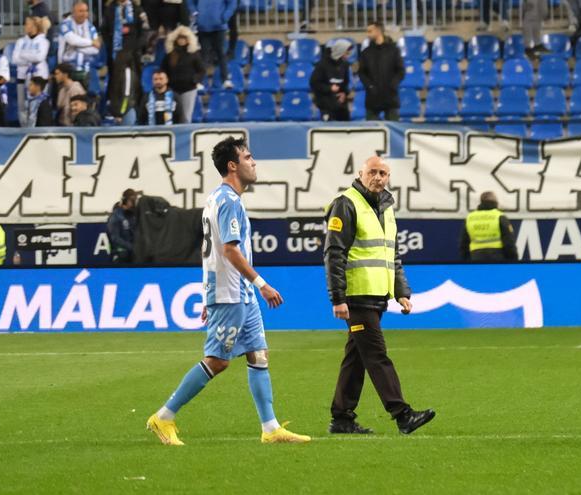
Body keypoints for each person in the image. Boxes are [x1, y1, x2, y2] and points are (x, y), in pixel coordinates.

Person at [147, 136, 311, 445]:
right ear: (233, 165)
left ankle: (270, 428)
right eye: (248, 157)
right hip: (232, 292)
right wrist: (261, 284)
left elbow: (209, 251)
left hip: (236, 294)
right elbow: (229, 251)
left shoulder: (217, 198)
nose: (254, 162)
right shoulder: (229, 201)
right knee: (218, 361)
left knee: (258, 355)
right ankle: (164, 417)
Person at [323, 155, 435, 435]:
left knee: (357, 357)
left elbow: (391, 254)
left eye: (383, 173)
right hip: (357, 294)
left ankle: (342, 418)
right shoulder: (345, 204)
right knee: (376, 354)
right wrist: (338, 297)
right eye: (372, 172)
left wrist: (401, 291)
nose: (378, 177)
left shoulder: (386, 207)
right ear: (360, 174)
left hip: (377, 295)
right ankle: (402, 414)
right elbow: (334, 253)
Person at [358, 21, 403, 121]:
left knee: (394, 129)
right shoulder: (366, 52)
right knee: (371, 131)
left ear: (378, 31)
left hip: (390, 96)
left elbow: (400, 71)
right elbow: (361, 72)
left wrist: (393, 84)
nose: (367, 34)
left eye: (370, 31)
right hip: (372, 97)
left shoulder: (393, 50)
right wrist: (369, 86)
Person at [12, 16, 51, 126]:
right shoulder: (20, 41)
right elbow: (15, 59)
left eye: (27, 24)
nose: (25, 26)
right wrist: (31, 57)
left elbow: (39, 57)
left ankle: (39, 127)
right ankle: (24, 128)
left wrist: (23, 55)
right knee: (22, 106)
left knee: (39, 104)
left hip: (39, 77)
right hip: (22, 77)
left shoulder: (44, 41)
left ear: (35, 26)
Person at [161, 25, 204, 124]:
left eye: (184, 38)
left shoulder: (194, 54)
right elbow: (163, 70)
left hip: (188, 89)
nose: (181, 40)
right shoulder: (170, 55)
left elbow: (202, 71)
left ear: (189, 39)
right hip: (172, 90)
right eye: (179, 38)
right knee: (170, 116)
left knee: (186, 117)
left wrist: (194, 80)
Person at [460, 191, 519, 262]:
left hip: (476, 256)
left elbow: (464, 243)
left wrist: (465, 260)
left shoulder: (470, 218)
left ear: (481, 201)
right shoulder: (499, 216)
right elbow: (509, 241)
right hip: (497, 255)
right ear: (495, 202)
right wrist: (513, 258)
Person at [191, 0, 237, 90]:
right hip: (202, 27)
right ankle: (200, 81)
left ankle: (226, 80)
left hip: (219, 27)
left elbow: (232, 3)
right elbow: (190, 2)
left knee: (221, 53)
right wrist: (195, 13)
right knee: (204, 55)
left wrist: (225, 16)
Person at [58, 0, 100, 81]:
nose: (84, 14)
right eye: (81, 11)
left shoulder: (91, 27)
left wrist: (77, 47)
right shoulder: (65, 24)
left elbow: (96, 49)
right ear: (73, 12)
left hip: (86, 69)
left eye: (86, 11)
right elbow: (72, 41)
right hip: (67, 70)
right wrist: (91, 43)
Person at [310, 39, 351, 122]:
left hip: (341, 105)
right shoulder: (322, 64)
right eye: (346, 53)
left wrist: (344, 93)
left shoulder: (345, 65)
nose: (348, 55)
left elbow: (345, 83)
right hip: (325, 104)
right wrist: (329, 88)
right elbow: (314, 83)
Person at [107, 188, 137, 263]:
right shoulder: (116, 216)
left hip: (133, 255)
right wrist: (131, 247)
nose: (133, 203)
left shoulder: (132, 216)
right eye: (131, 200)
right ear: (125, 200)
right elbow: (115, 238)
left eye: (135, 200)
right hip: (120, 254)